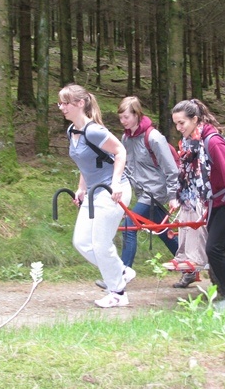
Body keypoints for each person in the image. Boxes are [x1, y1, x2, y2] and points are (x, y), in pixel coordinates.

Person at [58, 84, 134, 308]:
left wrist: (116, 182)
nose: (61, 107)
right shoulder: (72, 131)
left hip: (112, 191)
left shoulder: (94, 131)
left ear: (80, 104)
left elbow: (120, 151)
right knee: (81, 242)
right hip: (93, 192)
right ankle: (121, 271)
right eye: (60, 103)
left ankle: (118, 293)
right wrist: (81, 188)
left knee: (101, 244)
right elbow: (86, 163)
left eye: (65, 103)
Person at [171, 99, 225, 310]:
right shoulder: (195, 142)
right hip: (216, 203)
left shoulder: (213, 142)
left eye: (182, 123)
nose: (179, 128)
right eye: (176, 124)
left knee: (213, 248)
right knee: (220, 248)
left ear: (195, 120)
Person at [105, 97, 179, 282]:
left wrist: (173, 195)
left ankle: (122, 274)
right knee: (163, 229)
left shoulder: (154, 137)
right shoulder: (125, 138)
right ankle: (190, 267)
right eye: (120, 118)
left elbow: (171, 169)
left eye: (126, 117)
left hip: (156, 191)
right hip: (142, 192)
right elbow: (127, 167)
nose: (123, 121)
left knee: (129, 226)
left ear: (137, 115)